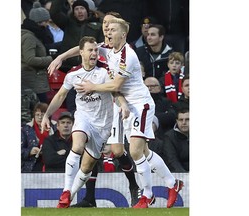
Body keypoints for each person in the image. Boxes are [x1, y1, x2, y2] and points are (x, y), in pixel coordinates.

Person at [48, 17, 183, 209]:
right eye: (107, 29)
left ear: (123, 34)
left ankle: (147, 195)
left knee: (135, 150)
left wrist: (92, 86)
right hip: (125, 105)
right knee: (144, 151)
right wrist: (61, 57)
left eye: (112, 29)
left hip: (140, 104)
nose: (108, 32)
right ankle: (173, 184)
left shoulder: (128, 55)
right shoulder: (109, 47)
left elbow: (115, 85)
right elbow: (83, 48)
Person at [41, 36, 130, 208]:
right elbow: (60, 96)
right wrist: (47, 115)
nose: (94, 53)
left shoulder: (105, 72)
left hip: (103, 125)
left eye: (96, 50)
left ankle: (68, 198)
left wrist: (123, 105)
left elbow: (115, 91)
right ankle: (66, 191)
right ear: (81, 52)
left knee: (87, 167)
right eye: (90, 50)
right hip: (84, 118)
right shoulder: (73, 74)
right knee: (78, 145)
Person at [71, 12, 141, 208]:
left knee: (118, 151)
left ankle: (134, 186)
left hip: (115, 102)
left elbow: (117, 83)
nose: (106, 26)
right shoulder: (98, 48)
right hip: (98, 106)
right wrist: (59, 57)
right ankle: (89, 198)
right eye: (104, 23)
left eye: (110, 24)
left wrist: (122, 101)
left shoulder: (122, 50)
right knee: (93, 150)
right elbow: (79, 49)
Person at [49, 0, 103, 72]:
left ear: (87, 11)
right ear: (73, 12)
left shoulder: (98, 26)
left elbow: (101, 46)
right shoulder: (67, 23)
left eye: (82, 8)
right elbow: (54, 13)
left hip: (90, 67)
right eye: (76, 9)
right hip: (67, 67)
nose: (79, 11)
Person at [21, 1, 55, 103]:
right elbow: (30, 59)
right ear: (39, 21)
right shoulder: (29, 37)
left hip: (33, 82)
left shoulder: (32, 34)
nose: (47, 25)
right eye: (46, 21)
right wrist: (50, 59)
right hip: (32, 83)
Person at [21, 102, 57, 172]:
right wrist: (29, 152)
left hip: (52, 162)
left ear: (48, 116)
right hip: (33, 164)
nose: (40, 117)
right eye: (37, 115)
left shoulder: (56, 127)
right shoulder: (26, 129)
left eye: (42, 115)